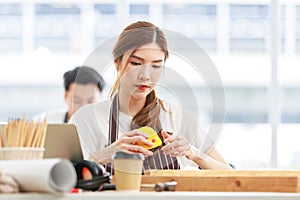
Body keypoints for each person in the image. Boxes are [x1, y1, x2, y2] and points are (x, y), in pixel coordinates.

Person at [69, 21, 232, 170]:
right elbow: (60, 178)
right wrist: (104, 155)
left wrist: (194, 153)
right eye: (136, 63)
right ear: (117, 62)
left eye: (156, 66)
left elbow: (230, 175)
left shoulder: (177, 116)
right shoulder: (85, 119)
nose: (146, 76)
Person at [33, 66, 105, 123]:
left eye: (91, 102)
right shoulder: (44, 122)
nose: (83, 108)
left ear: (101, 98)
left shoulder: (109, 129)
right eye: (76, 101)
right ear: (65, 96)